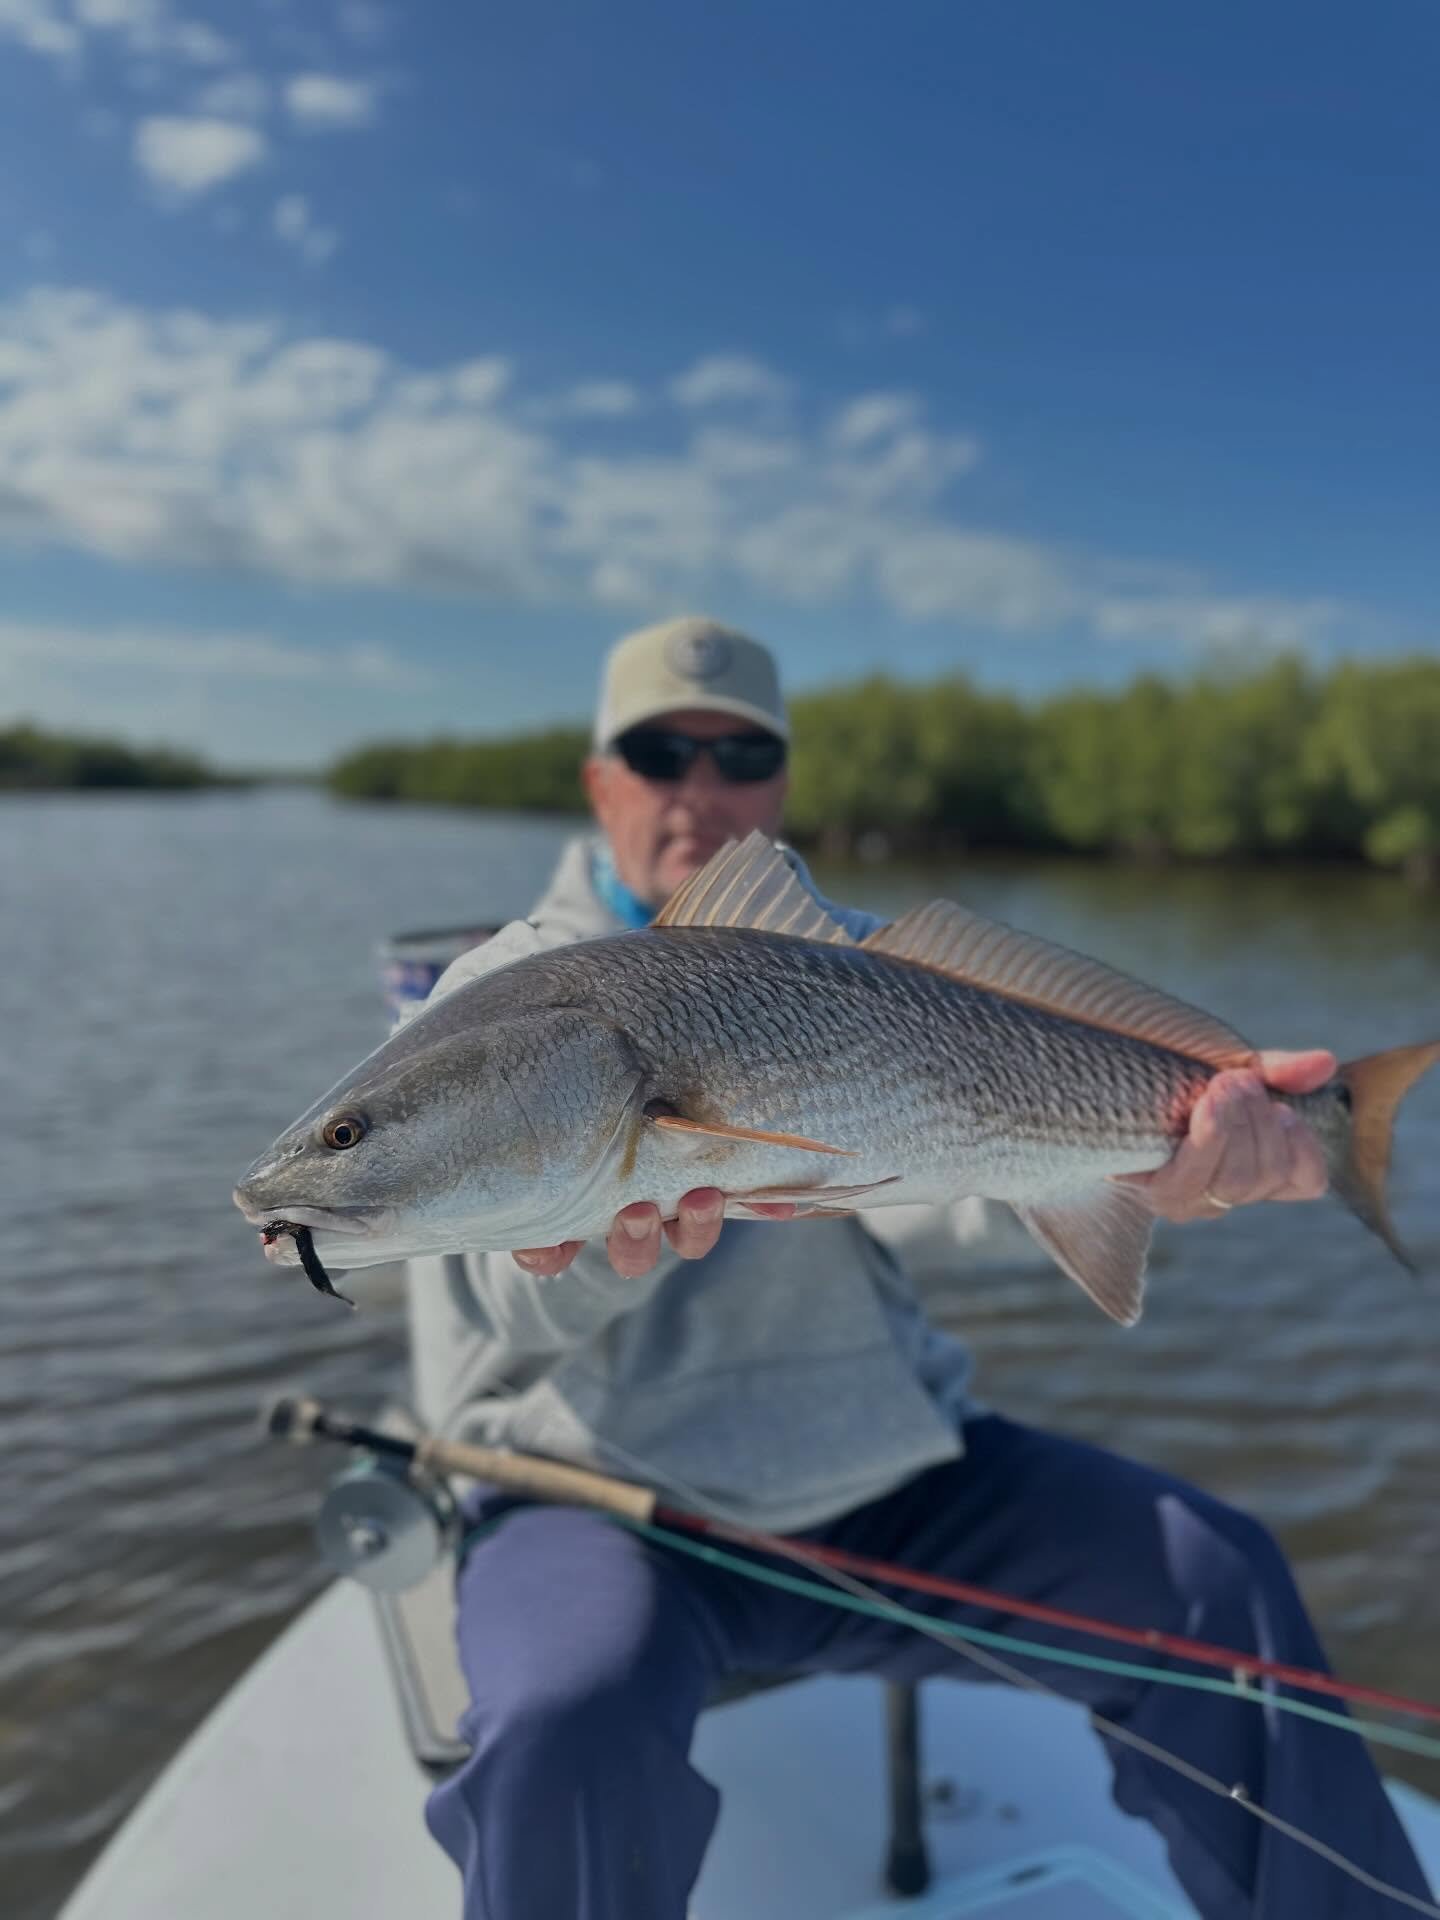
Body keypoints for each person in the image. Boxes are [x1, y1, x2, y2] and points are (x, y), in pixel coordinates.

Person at [410, 616, 1430, 1919]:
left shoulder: (856, 960)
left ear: (783, 782)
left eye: (742, 755)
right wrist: (602, 1252)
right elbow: (487, 1300)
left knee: (1217, 1579)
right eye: (662, 753)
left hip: (886, 1484)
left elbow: (955, 1199)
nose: (702, 789)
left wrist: (1173, 1167)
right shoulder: (491, 993)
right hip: (601, 1500)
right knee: (565, 1716)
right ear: (600, 780)